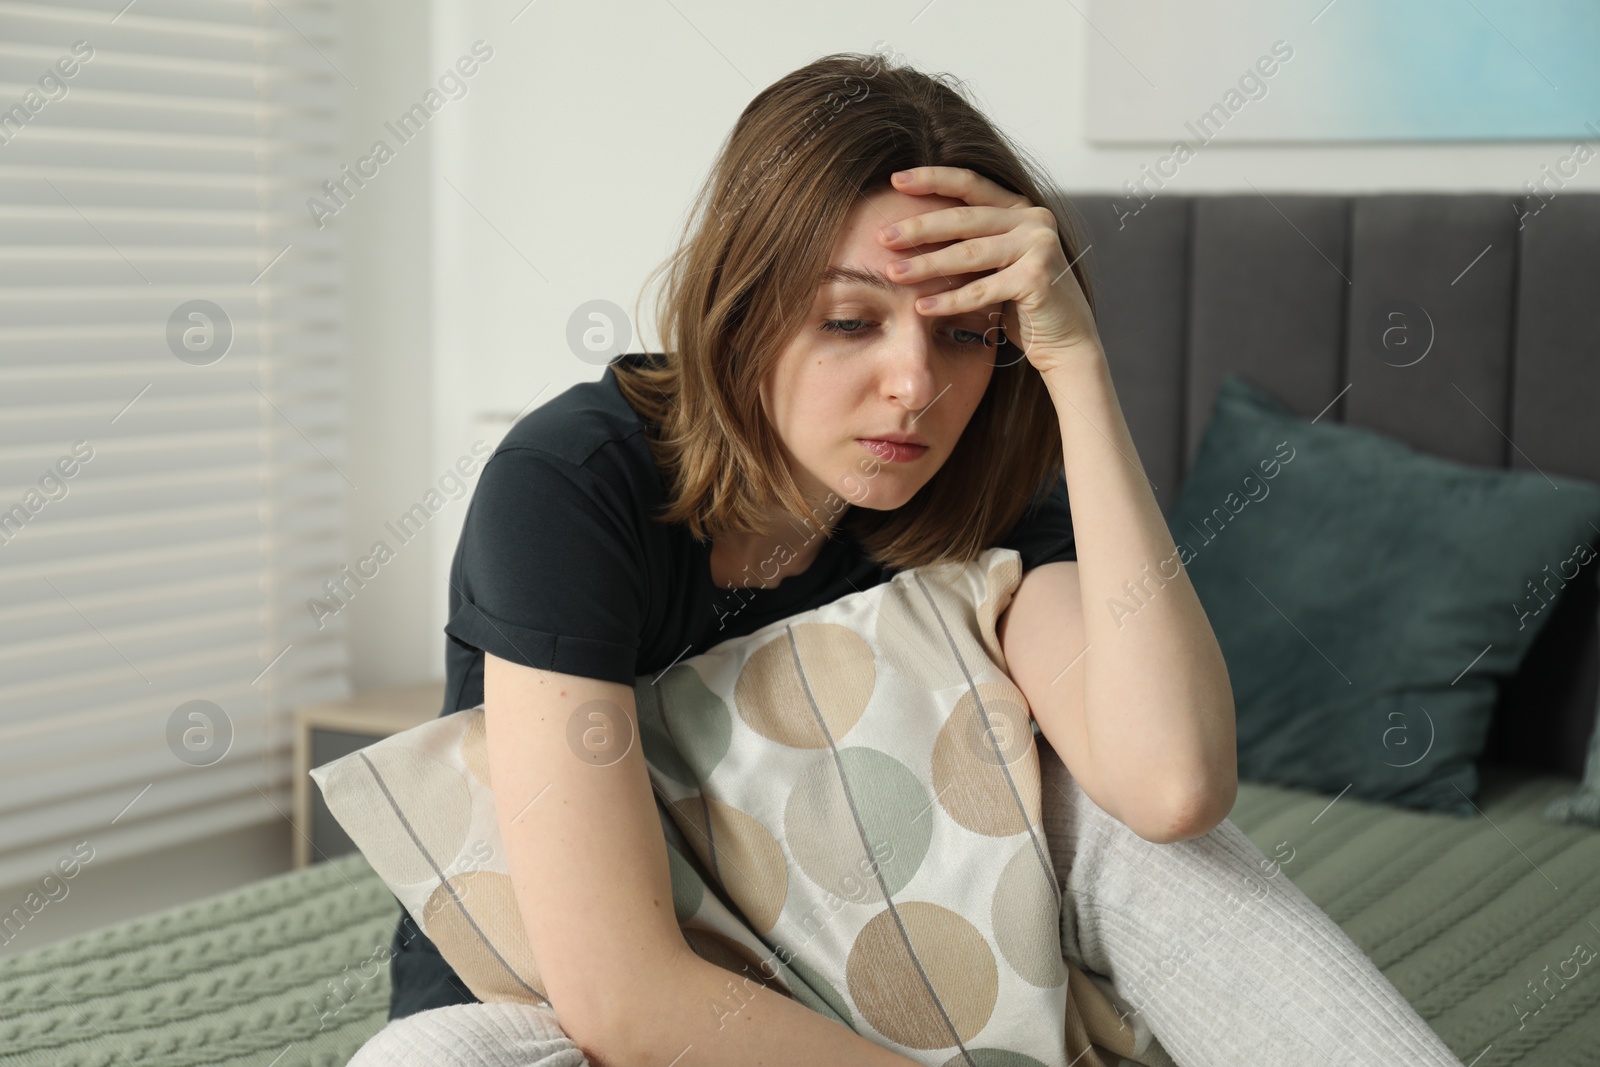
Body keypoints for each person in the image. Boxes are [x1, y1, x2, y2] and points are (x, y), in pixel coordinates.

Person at [364, 51, 1466, 1067]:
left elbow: (1172, 785)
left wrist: (1075, 362)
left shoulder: (983, 487)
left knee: (1125, 831)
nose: (915, 384)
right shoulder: (574, 479)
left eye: (964, 332)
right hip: (564, 1007)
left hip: (898, 975)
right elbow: (620, 997)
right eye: (852, 320)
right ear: (741, 307)